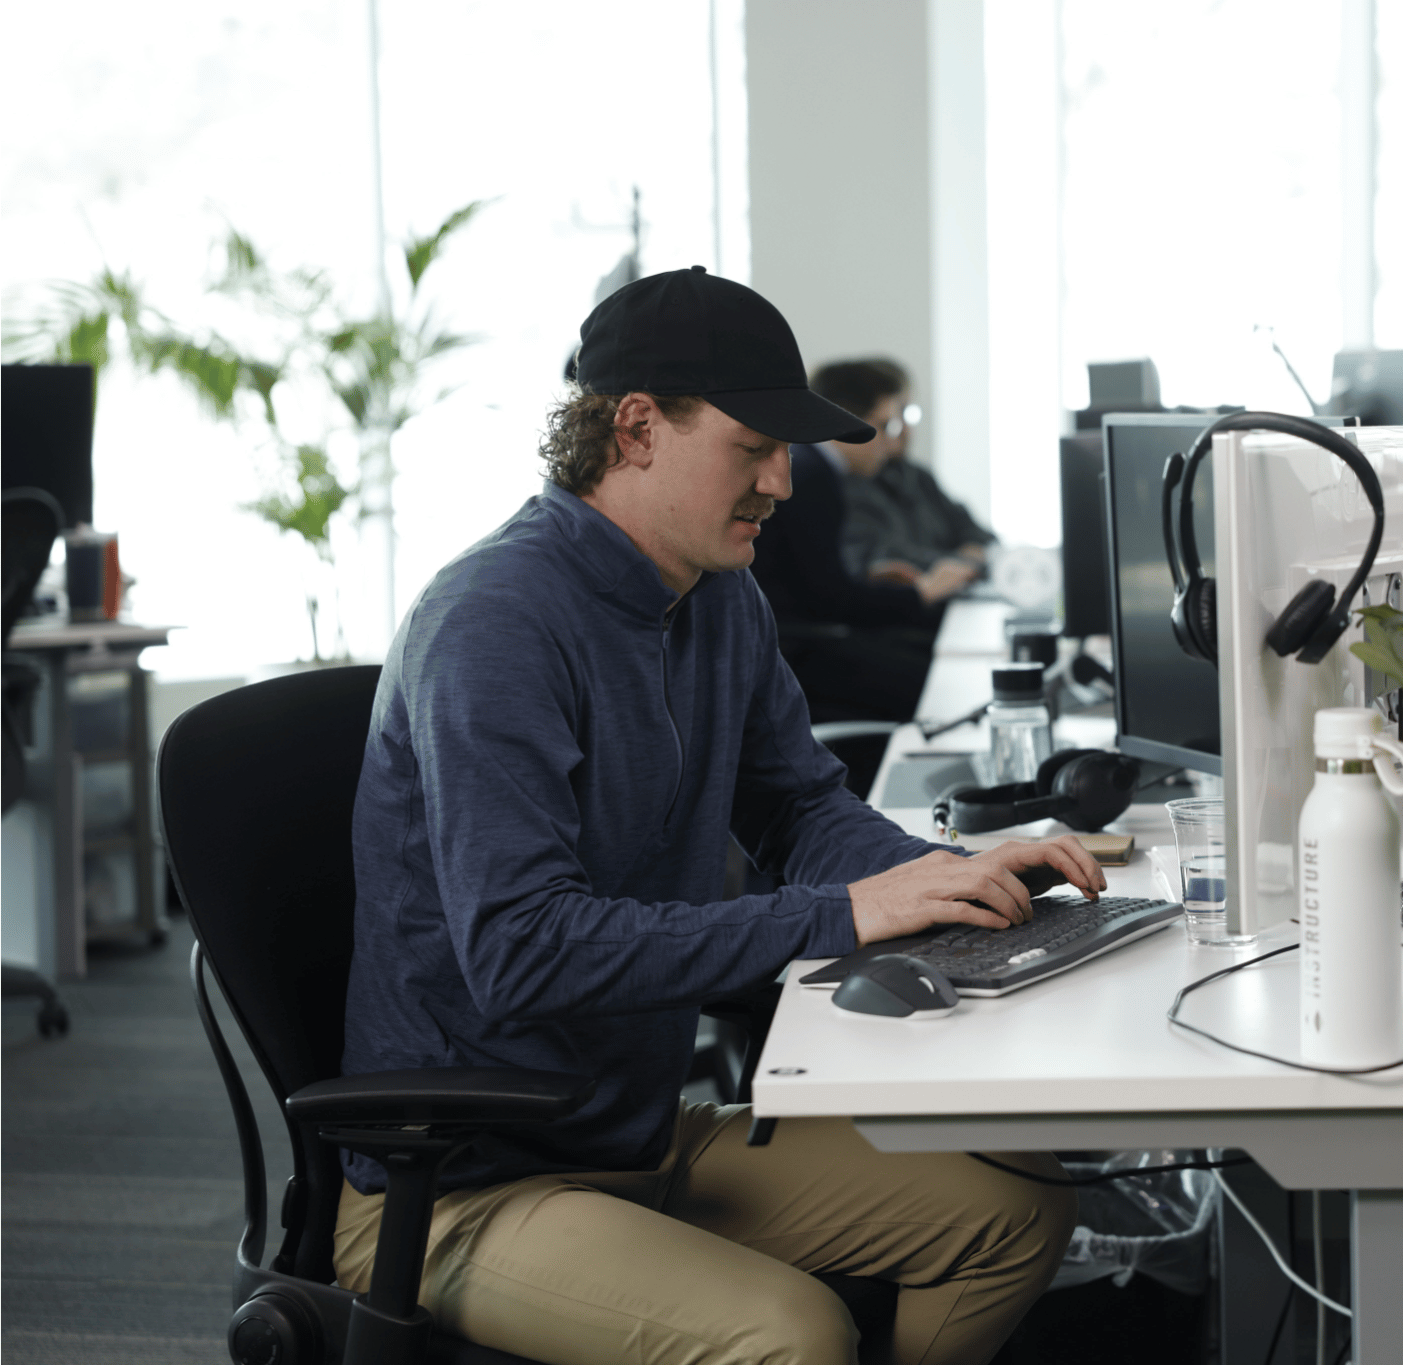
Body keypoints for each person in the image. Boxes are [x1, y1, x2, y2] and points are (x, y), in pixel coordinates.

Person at [335, 266, 1091, 1365]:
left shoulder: (717, 594)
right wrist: (841, 916)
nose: (783, 483)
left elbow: (798, 807)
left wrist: (948, 875)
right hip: (463, 1179)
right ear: (636, 429)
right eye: (754, 448)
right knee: (790, 1335)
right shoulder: (493, 624)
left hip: (631, 1133)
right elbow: (521, 951)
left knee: (1014, 1212)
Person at [747, 367, 978, 730]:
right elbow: (830, 599)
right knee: (943, 686)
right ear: (845, 422)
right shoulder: (813, 476)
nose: (891, 442)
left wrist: (878, 581)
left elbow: (811, 580)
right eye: (885, 426)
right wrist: (921, 593)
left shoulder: (815, 468)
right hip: (799, 653)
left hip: (800, 641)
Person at [811, 358, 995, 583]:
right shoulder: (839, 483)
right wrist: (963, 563)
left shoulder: (916, 476)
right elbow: (883, 559)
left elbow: (978, 534)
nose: (902, 429)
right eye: (890, 421)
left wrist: (967, 558)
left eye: (907, 414)